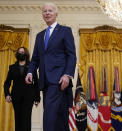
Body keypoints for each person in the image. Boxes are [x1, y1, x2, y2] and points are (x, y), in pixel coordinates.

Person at [25, 2, 76, 131]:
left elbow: (71, 55)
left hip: (59, 79)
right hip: (45, 81)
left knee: (49, 115)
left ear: (56, 14)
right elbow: (35, 58)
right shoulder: (39, 36)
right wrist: (30, 72)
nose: (47, 13)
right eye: (44, 11)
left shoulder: (65, 31)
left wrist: (67, 75)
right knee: (60, 116)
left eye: (50, 11)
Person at [4, 47, 40, 131]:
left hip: (29, 98)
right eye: (19, 52)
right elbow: (6, 83)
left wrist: (37, 98)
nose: (21, 54)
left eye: (23, 52)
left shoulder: (31, 67)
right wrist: (7, 94)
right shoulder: (12, 67)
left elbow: (36, 83)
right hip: (16, 98)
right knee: (18, 120)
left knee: (26, 121)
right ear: (17, 54)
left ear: (26, 54)